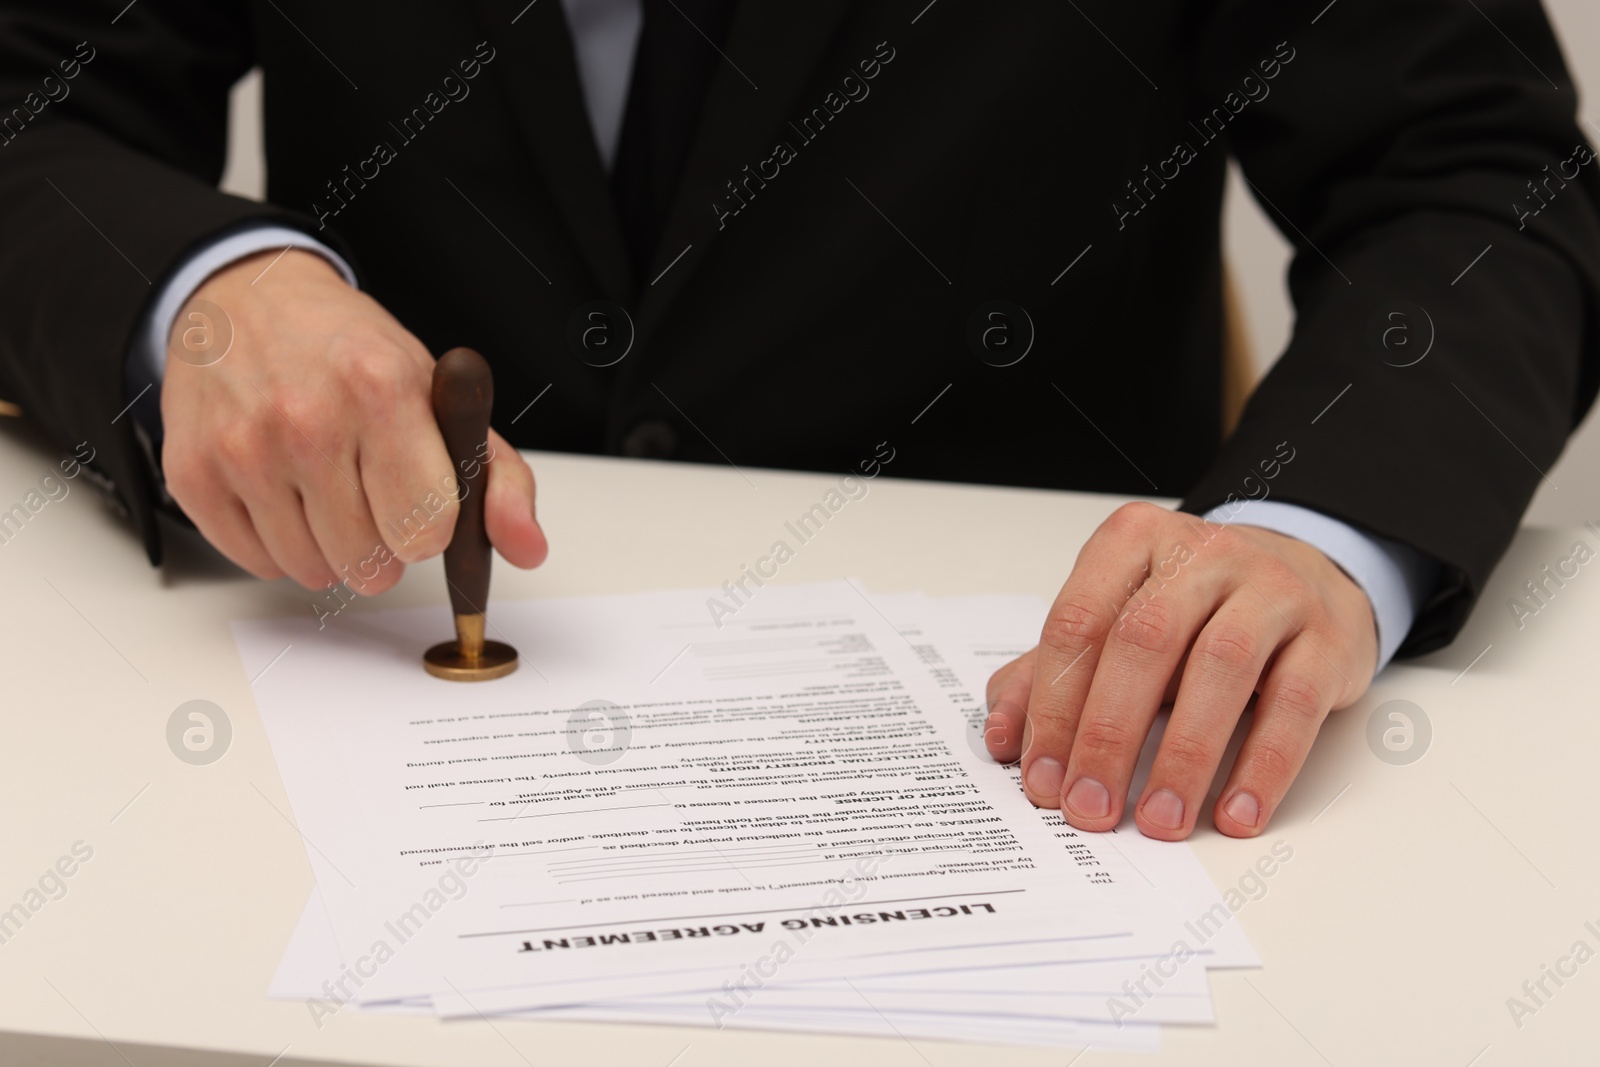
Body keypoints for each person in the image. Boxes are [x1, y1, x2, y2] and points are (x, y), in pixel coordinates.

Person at [1, 0, 1596, 842]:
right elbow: (33, 102)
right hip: (345, 701)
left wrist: (1315, 531)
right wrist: (199, 288)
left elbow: (1472, 175)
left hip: (1041, 770)